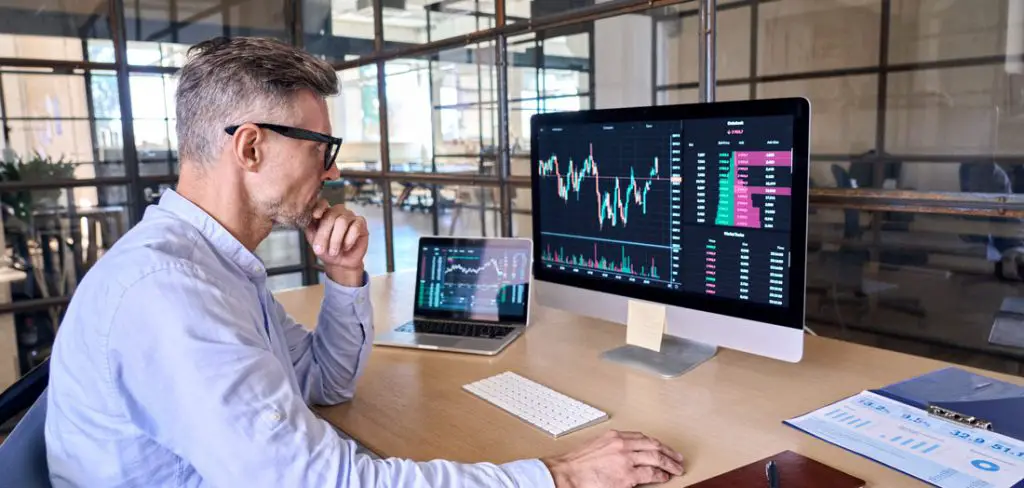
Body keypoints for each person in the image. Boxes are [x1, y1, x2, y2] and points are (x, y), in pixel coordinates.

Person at [44, 37, 684, 487]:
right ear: (250, 148)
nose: (334, 168)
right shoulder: (173, 295)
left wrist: (346, 282)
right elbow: (322, 481)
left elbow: (324, 384)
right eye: (321, 147)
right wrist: (560, 475)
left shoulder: (217, 268)